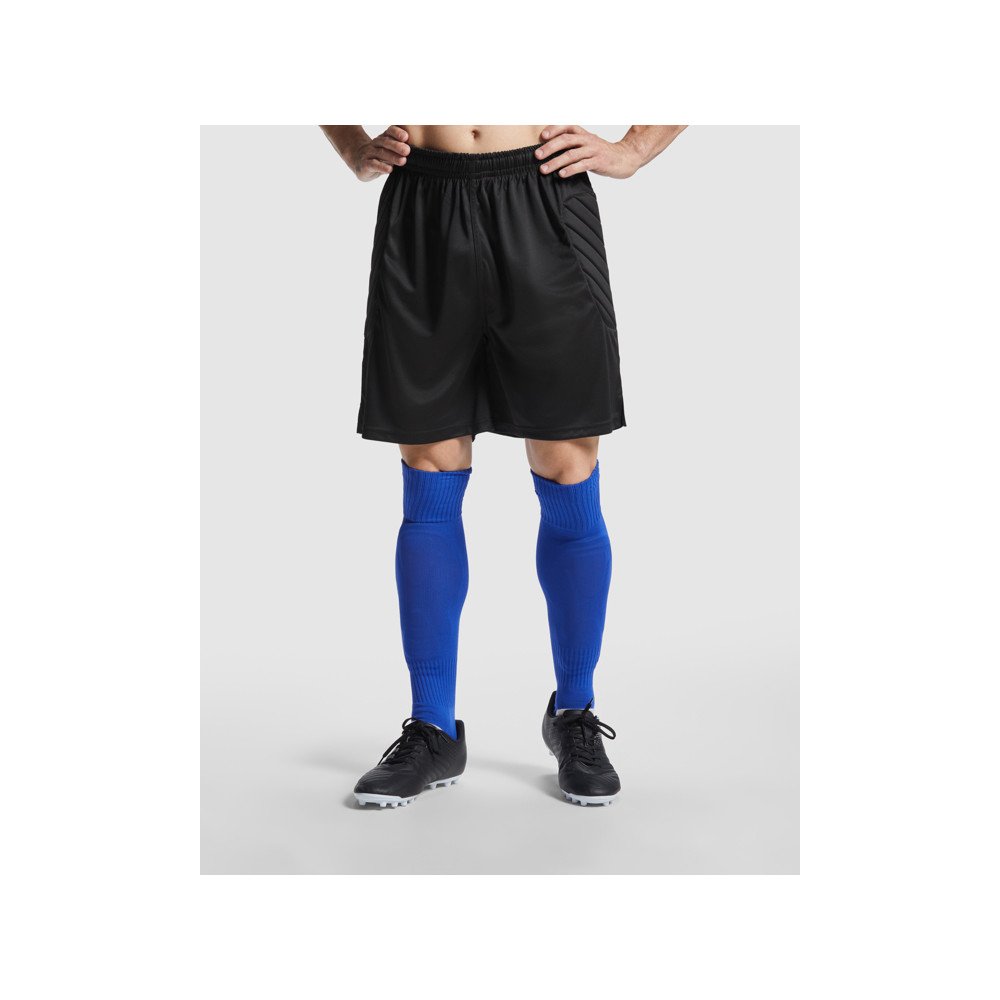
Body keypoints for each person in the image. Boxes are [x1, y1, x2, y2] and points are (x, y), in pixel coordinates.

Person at [320, 124, 687, 808]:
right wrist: (348, 143)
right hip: (423, 202)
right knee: (430, 466)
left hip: (542, 199)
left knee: (567, 464)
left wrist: (635, 148)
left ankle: (574, 712)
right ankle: (433, 728)